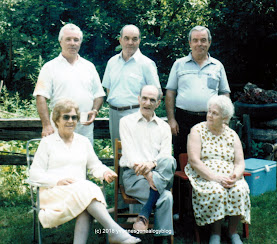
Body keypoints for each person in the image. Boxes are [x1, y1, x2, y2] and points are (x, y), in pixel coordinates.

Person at [29, 99, 141, 244]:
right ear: (56, 120)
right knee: (87, 190)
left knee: (85, 197)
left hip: (79, 193)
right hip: (54, 192)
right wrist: (57, 181)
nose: (71, 121)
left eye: (74, 117)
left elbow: (95, 166)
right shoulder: (47, 143)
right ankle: (116, 232)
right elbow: (34, 173)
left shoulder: (83, 142)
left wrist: (105, 172)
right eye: (66, 117)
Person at [165, 25, 231, 217]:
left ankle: (209, 204)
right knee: (180, 161)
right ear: (190, 43)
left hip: (210, 120)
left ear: (209, 42)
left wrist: (224, 121)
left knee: (209, 160)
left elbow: (224, 93)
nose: (199, 44)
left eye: (203, 40)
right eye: (196, 40)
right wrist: (171, 119)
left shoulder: (218, 66)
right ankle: (178, 208)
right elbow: (170, 92)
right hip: (183, 119)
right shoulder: (179, 64)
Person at [185, 95, 251, 244]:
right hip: (204, 174)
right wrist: (216, 178)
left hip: (228, 175)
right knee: (217, 190)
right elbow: (194, 160)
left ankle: (233, 232)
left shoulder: (232, 135)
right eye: (209, 111)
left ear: (225, 117)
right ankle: (216, 233)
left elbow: (240, 163)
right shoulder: (197, 130)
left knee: (239, 189)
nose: (209, 115)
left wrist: (235, 176)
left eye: (215, 113)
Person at [119, 85, 176, 243]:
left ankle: (144, 214)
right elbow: (129, 155)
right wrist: (147, 174)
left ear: (158, 103)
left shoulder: (164, 127)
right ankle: (160, 239)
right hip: (134, 176)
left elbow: (165, 155)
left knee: (170, 160)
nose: (147, 102)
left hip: (159, 173)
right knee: (166, 197)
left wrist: (152, 167)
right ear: (138, 99)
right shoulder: (126, 122)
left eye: (152, 100)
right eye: (144, 98)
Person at [33, 23, 105, 145]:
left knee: (84, 161)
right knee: (59, 161)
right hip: (59, 127)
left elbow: (99, 95)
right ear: (60, 42)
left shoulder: (89, 67)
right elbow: (40, 96)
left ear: (80, 42)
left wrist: (94, 110)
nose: (72, 43)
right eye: (68, 39)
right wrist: (46, 125)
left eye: (76, 40)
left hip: (84, 127)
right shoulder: (50, 67)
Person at [102, 24, 161, 151]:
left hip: (136, 114)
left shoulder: (147, 64)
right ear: (120, 40)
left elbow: (157, 93)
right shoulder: (112, 62)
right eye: (126, 38)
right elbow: (109, 89)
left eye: (134, 39)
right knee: (118, 154)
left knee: (137, 153)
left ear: (139, 41)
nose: (130, 42)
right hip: (114, 114)